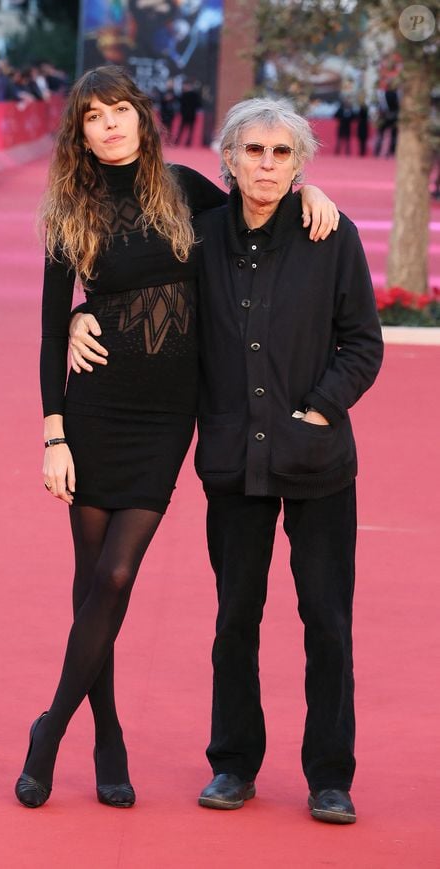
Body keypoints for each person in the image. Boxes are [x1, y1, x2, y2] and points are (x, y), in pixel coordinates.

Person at [15, 67, 338, 811]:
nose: (110, 125)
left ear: (141, 117)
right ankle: (106, 737)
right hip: (96, 411)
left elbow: (261, 218)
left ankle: (48, 726)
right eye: (94, 117)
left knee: (118, 576)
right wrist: (53, 433)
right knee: (93, 579)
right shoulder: (72, 208)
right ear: (81, 133)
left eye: (120, 110)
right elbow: (45, 328)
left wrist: (309, 192)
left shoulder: (185, 188)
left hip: (167, 420)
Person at [191, 100, 382, 823]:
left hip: (318, 459)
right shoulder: (201, 237)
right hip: (233, 459)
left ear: (300, 163)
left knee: (326, 618)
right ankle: (233, 762)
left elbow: (363, 343)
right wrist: (84, 311)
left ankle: (331, 774)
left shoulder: (332, 237)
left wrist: (319, 409)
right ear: (229, 160)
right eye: (253, 151)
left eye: (281, 153)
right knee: (236, 616)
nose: (266, 164)